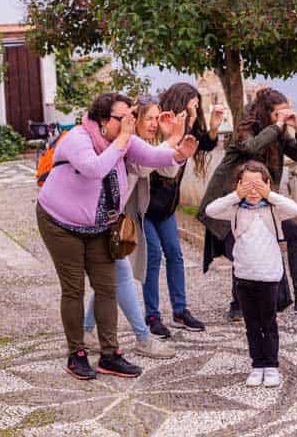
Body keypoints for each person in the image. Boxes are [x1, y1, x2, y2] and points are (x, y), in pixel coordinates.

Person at [36, 92, 198, 380]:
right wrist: (123, 140)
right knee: (74, 289)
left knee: (107, 287)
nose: (128, 124)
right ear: (102, 120)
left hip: (100, 226)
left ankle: (109, 355)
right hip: (60, 222)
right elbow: (94, 169)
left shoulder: (121, 139)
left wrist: (178, 154)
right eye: (122, 118)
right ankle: (77, 354)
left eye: (130, 118)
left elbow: (154, 157)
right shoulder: (78, 139)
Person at [198, 88, 297, 320]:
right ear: (265, 112)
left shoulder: (277, 133)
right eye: (278, 113)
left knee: (295, 235)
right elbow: (251, 147)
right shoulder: (244, 132)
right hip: (232, 204)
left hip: (264, 204)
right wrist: (278, 125)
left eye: (284, 113)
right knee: (241, 248)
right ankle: (237, 303)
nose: (282, 118)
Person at [82, 97, 185, 360]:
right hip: (100, 220)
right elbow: (144, 165)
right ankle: (142, 337)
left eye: (156, 118)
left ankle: (85, 330)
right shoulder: (125, 145)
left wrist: (171, 140)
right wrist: (172, 140)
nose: (153, 123)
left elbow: (167, 170)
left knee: (111, 280)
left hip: (111, 220)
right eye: (148, 118)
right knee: (120, 277)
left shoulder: (135, 144)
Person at [205, 161, 297, 388]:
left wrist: (270, 194)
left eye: (258, 184)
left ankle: (272, 365)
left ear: (267, 184)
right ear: (238, 185)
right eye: (247, 184)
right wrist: (236, 194)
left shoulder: (274, 208)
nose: (253, 190)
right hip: (244, 275)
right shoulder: (235, 209)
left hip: (269, 276)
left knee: (269, 322)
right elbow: (210, 210)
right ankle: (257, 364)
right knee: (251, 324)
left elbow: (294, 209)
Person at [142, 82, 224, 337]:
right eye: (193, 103)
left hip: (167, 203)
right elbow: (153, 161)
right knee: (153, 257)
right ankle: (152, 315)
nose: (196, 107)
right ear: (181, 100)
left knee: (175, 255)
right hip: (145, 202)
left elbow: (204, 145)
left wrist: (213, 126)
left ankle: (180, 310)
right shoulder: (161, 125)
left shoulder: (187, 128)